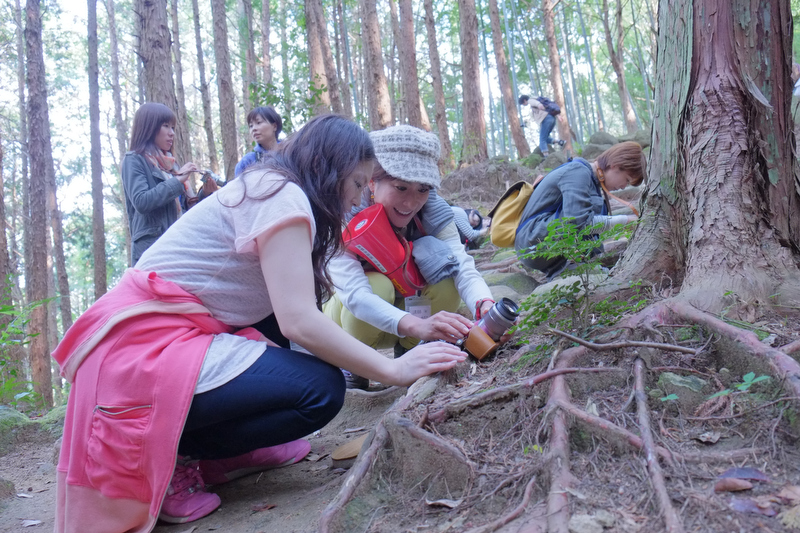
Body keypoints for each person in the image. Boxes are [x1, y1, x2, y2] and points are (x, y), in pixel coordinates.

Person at [52, 115, 465, 531]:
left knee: (305, 372)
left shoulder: (275, 188)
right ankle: (178, 453)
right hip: (143, 347)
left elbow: (287, 314)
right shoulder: (281, 197)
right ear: (331, 169)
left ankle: (226, 454)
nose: (357, 199)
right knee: (321, 389)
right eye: (357, 184)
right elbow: (299, 322)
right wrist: (393, 370)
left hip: (170, 333)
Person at [323, 125, 500, 390]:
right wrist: (418, 326)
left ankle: (409, 352)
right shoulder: (347, 213)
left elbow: (463, 266)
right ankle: (354, 363)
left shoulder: (435, 213)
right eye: (401, 187)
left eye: (422, 189)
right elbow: (355, 296)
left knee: (448, 279)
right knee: (377, 286)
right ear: (372, 181)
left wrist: (486, 305)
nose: (411, 202)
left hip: (410, 317)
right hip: (349, 320)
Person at [514, 141, 646, 279]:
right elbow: (577, 222)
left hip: (534, 242)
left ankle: (569, 267)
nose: (624, 186)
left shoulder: (588, 177)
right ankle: (567, 268)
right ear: (615, 165)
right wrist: (626, 221)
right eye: (627, 179)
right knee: (579, 216)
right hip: (531, 242)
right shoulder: (578, 172)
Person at [122, 102, 199, 264]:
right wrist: (177, 181)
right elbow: (141, 201)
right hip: (151, 249)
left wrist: (205, 193)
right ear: (149, 127)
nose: (172, 133)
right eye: (166, 126)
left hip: (178, 244)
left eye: (173, 128)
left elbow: (184, 209)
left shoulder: (172, 165)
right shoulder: (134, 160)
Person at [235, 106, 283, 177]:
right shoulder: (247, 161)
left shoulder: (290, 154)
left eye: (258, 122)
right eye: (251, 126)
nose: (254, 129)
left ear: (274, 126)